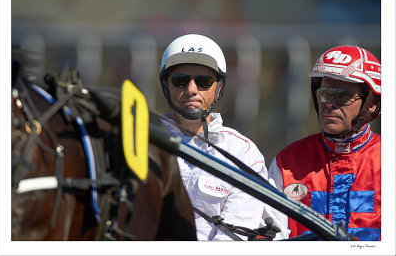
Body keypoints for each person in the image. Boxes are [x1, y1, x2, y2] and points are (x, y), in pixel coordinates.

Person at [159, 34, 289, 240]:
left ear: (219, 87)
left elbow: (230, 240)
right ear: (166, 85)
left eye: (203, 81)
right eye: (180, 81)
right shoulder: (140, 143)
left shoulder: (242, 153)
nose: (191, 90)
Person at [268, 45, 381, 241]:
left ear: (372, 104)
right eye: (324, 93)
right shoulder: (287, 162)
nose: (329, 102)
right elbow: (269, 238)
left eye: (343, 95)